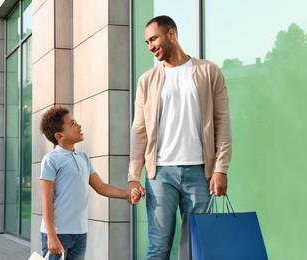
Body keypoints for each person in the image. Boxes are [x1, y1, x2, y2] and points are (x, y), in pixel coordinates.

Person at [126, 15, 232, 259]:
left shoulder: (208, 71)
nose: (150, 46)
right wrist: (133, 176)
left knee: (198, 248)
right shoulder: (147, 81)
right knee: (158, 249)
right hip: (160, 175)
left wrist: (221, 168)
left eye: (153, 39)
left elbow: (222, 123)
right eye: (146, 42)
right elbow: (139, 131)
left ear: (171, 34)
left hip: (200, 173)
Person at [39, 106, 140, 260]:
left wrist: (126, 195)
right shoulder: (51, 160)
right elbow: (46, 200)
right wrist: (51, 235)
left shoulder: (83, 157)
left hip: (80, 233)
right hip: (58, 233)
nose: (79, 126)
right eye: (72, 124)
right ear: (59, 135)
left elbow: (101, 187)